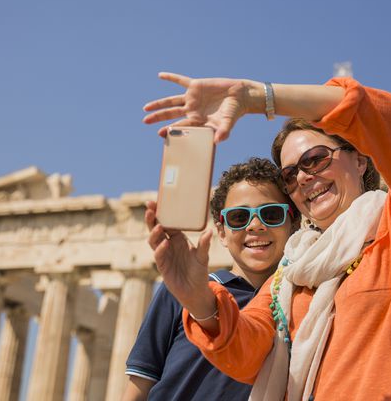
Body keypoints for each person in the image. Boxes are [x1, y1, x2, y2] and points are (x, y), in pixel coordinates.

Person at [143, 73, 391, 400]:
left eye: (315, 159)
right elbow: (244, 352)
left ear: (360, 158)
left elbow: (389, 118)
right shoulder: (291, 273)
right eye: (290, 175)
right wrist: (197, 299)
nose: (304, 178)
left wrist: (255, 97)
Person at [121, 157, 300, 401]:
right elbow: (139, 386)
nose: (255, 225)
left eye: (271, 214)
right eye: (239, 217)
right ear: (221, 232)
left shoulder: (300, 303)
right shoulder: (179, 292)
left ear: (294, 224)